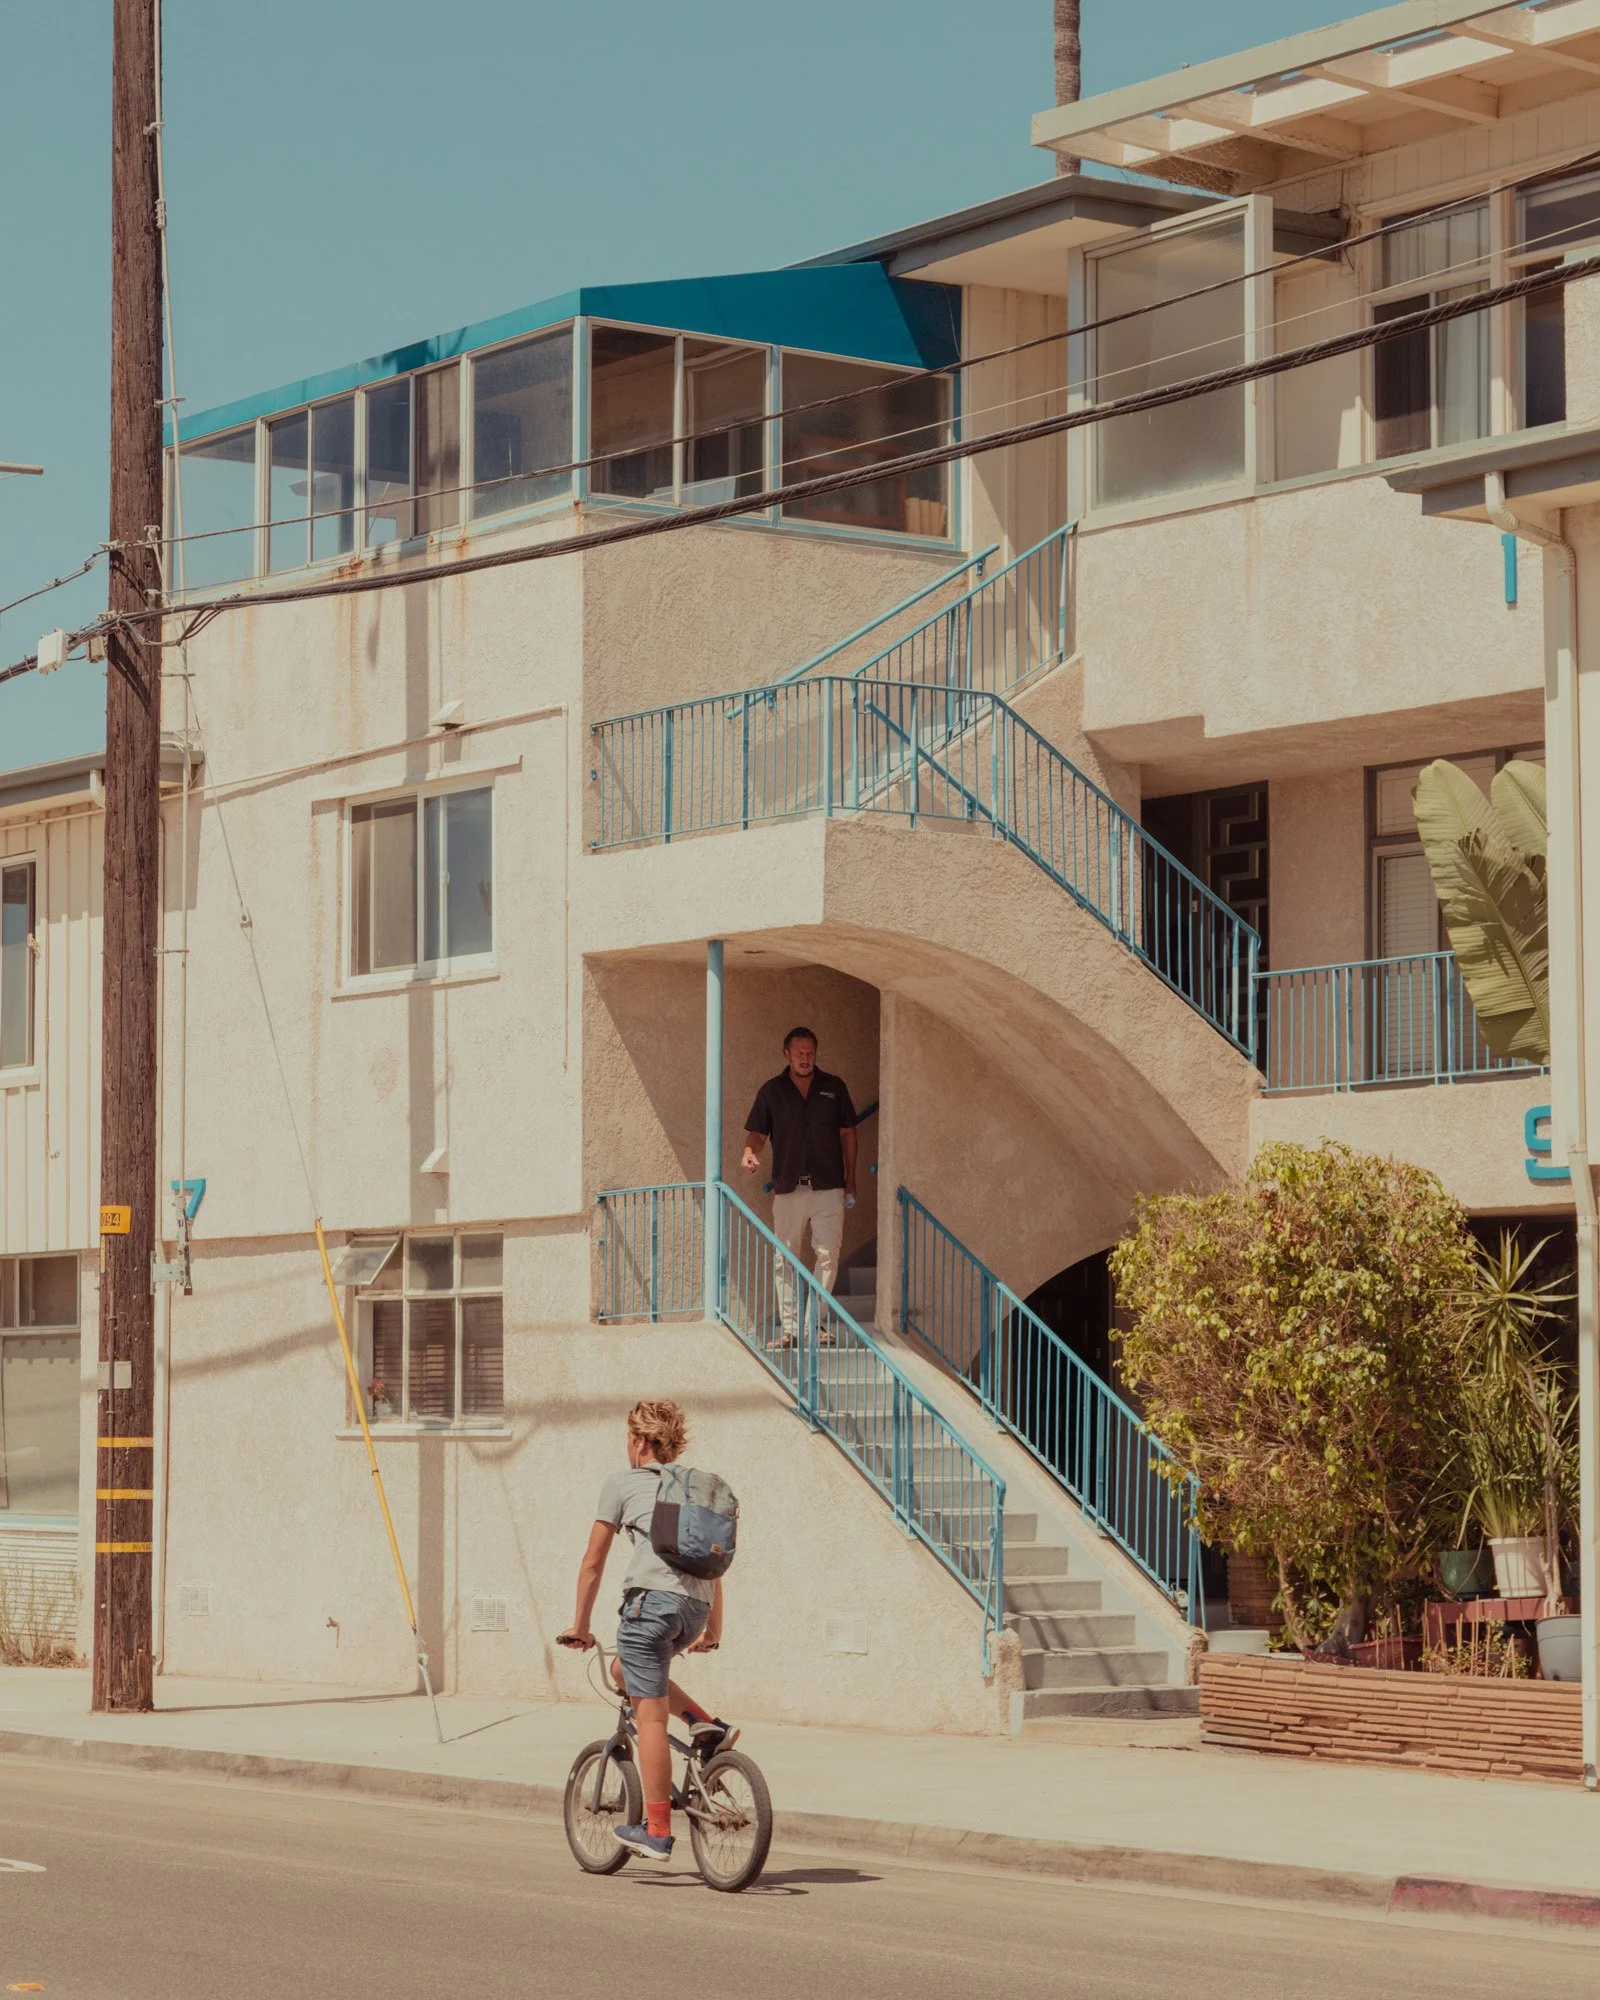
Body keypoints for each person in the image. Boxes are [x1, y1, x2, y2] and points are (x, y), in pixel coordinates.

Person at [558, 1398, 735, 1863]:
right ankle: (706, 1725)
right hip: (694, 1610)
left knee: (650, 1719)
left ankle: (656, 1830)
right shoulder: (695, 1488)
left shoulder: (621, 1483)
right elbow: (712, 1567)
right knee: (625, 1670)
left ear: (639, 1441)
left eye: (628, 1439)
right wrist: (712, 1631)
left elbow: (592, 1562)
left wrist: (580, 1626)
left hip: (650, 1607)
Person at [741, 1026, 858, 1347]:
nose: (805, 1058)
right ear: (787, 1054)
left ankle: (814, 1325)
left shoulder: (834, 1087)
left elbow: (848, 1133)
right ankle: (791, 1330)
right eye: (799, 1053)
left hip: (829, 1186)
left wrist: (850, 1178)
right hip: (789, 1187)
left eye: (810, 1053)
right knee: (786, 1258)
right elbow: (757, 1133)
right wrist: (750, 1152)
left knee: (828, 1255)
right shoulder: (771, 1091)